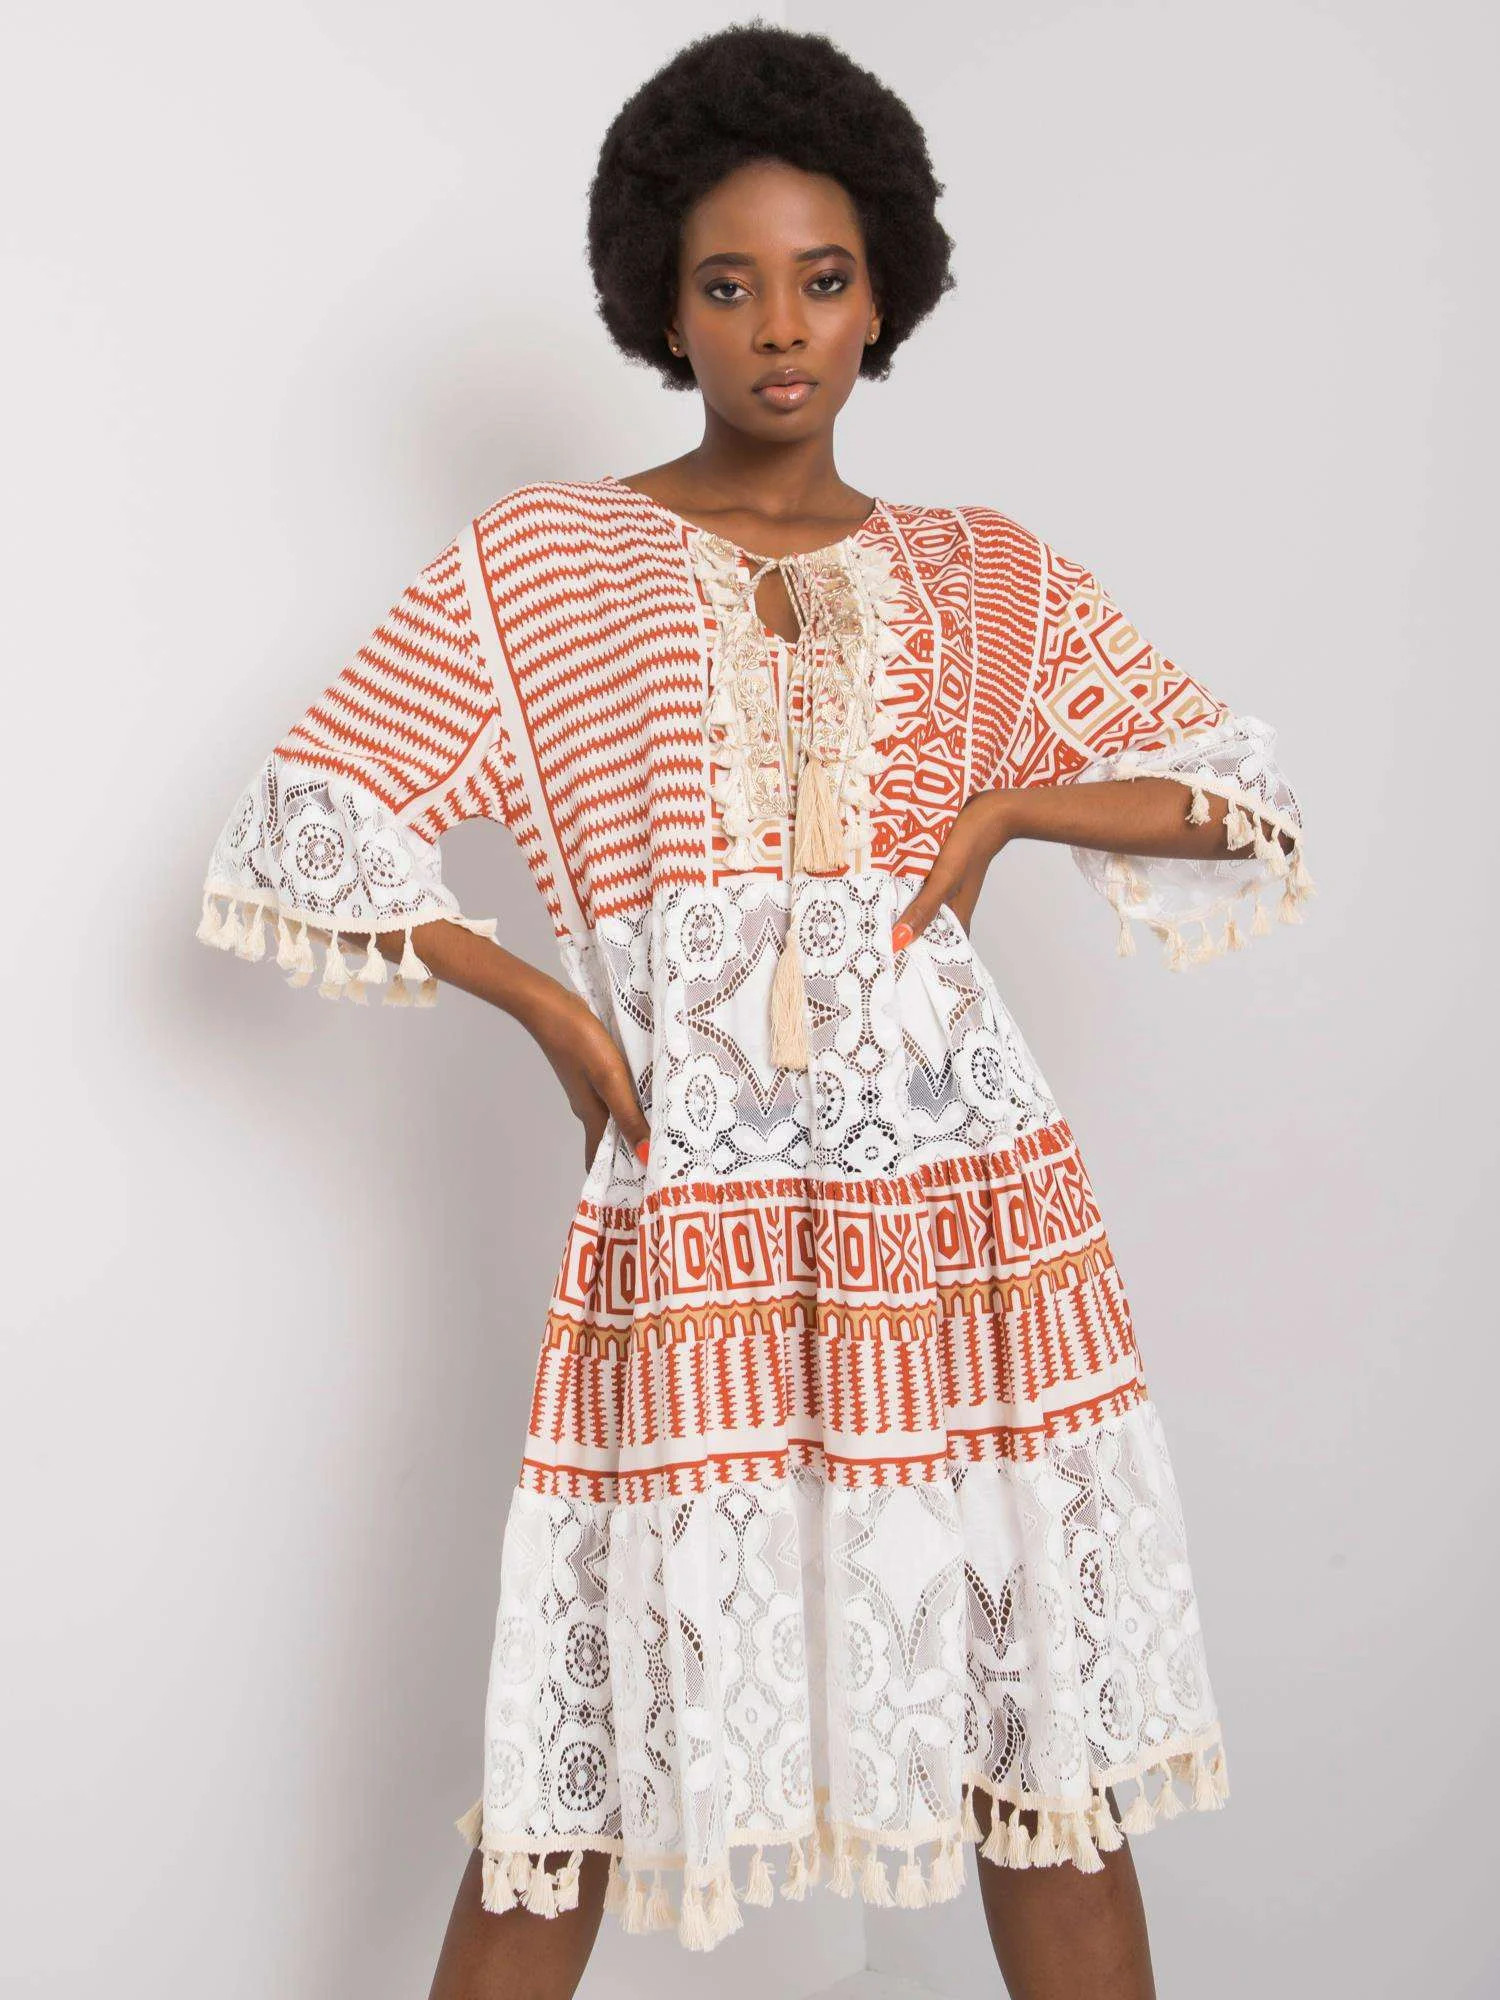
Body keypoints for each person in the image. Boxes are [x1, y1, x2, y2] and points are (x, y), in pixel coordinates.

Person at [194, 23, 1310, 2000]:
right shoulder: (543, 566)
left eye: (822, 278)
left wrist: (1014, 805)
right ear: (661, 301)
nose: (780, 328)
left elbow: (1239, 802)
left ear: (885, 295)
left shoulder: (982, 578)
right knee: (580, 1770)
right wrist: (536, 997)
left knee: (1036, 1756)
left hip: (960, 1215)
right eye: (728, 283)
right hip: (697, 1204)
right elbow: (312, 816)